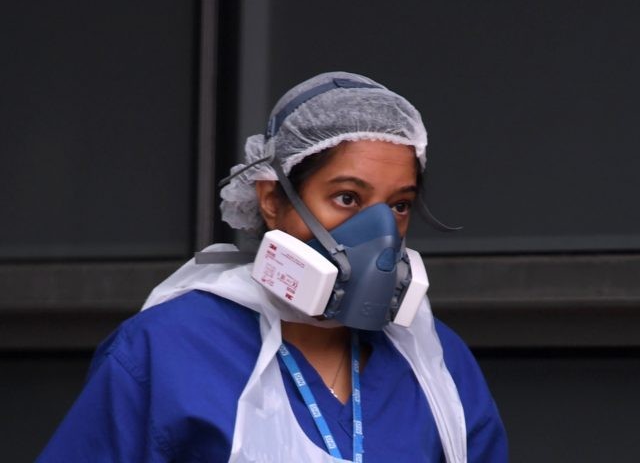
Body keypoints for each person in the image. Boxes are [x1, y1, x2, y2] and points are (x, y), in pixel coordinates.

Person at [37, 72, 507, 462]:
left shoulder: (434, 360)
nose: (380, 233)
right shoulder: (164, 352)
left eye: (400, 206)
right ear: (271, 200)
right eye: (346, 198)